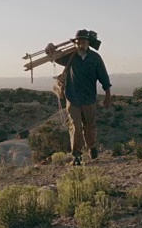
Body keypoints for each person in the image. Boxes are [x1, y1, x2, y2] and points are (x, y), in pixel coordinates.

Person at [46, 29, 112, 166]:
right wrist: (49, 47)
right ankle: (76, 155)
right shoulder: (70, 56)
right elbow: (53, 56)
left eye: (83, 42)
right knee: (75, 127)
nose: (80, 45)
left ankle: (92, 146)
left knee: (90, 125)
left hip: (89, 98)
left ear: (88, 43)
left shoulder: (95, 58)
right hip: (73, 97)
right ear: (75, 43)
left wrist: (107, 95)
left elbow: (103, 76)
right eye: (78, 42)